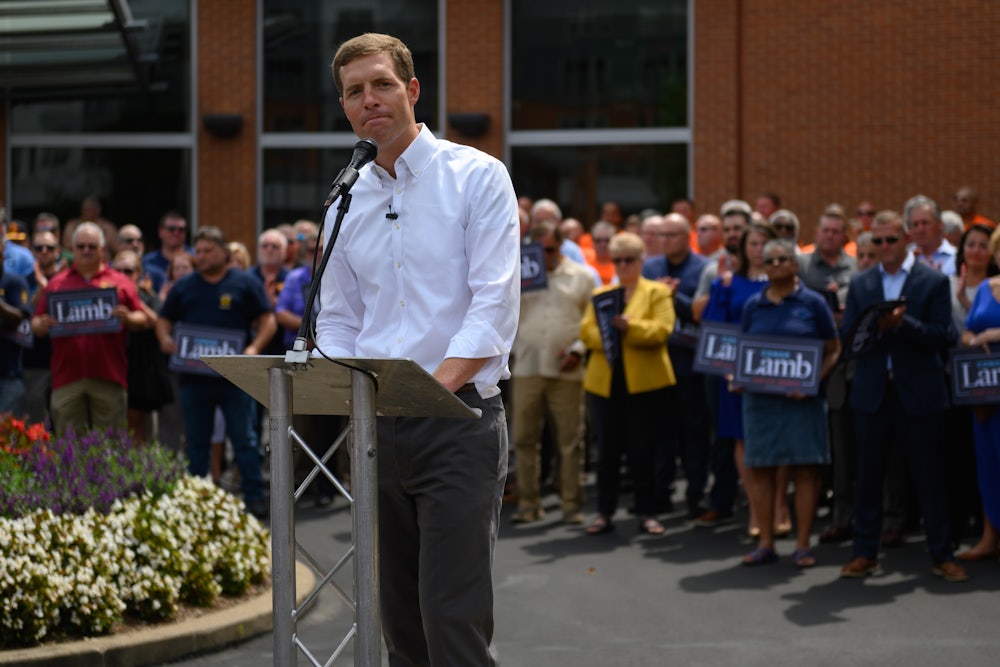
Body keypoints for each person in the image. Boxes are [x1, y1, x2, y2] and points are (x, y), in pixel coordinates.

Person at [315, 33, 520, 666]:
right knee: (400, 623)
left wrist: (429, 387)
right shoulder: (344, 201)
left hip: (458, 421)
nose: (368, 99)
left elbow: (493, 304)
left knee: (451, 621)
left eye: (380, 84)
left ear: (411, 90)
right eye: (354, 91)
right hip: (376, 426)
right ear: (345, 106)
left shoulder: (477, 176)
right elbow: (338, 317)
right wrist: (349, 386)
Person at [839, 210, 967, 582]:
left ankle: (942, 554)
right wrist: (873, 329)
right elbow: (850, 339)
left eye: (890, 240)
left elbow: (943, 336)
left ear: (906, 238)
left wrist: (902, 324)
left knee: (929, 478)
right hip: (873, 392)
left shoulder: (932, 281)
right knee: (869, 478)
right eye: (877, 241)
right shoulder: (861, 283)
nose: (883, 247)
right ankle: (865, 552)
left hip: (919, 393)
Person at [156, 226, 274, 519]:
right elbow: (163, 319)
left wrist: (254, 347)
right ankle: (196, 497)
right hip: (194, 379)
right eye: (199, 251)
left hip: (235, 379)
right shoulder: (184, 287)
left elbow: (267, 319)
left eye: (209, 251)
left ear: (224, 252)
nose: (203, 256)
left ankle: (254, 496)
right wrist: (164, 339)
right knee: (197, 441)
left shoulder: (244, 283)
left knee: (244, 439)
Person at [738, 239, 841, 566]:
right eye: (770, 261)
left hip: (802, 401)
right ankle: (766, 543)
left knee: (806, 470)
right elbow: (744, 352)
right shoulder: (753, 305)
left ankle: (802, 546)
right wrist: (739, 377)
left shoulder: (813, 303)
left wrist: (813, 382)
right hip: (761, 402)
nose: (776, 265)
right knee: (761, 468)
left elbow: (833, 350)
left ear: (796, 266)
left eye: (783, 259)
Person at [581, 231, 675, 537]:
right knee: (607, 451)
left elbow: (663, 330)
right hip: (607, 382)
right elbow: (586, 332)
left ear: (640, 260)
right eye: (617, 259)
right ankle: (604, 512)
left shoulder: (657, 292)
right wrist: (609, 333)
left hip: (644, 384)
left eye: (629, 259)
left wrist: (630, 327)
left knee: (642, 449)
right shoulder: (601, 294)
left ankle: (647, 511)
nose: (623, 265)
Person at [30, 222, 152, 435]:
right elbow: (35, 322)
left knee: (111, 449)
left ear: (102, 250)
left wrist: (129, 318)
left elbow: (143, 317)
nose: (86, 250)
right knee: (69, 449)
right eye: (81, 246)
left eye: (92, 246)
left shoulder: (120, 281)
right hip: (66, 377)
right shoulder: (57, 284)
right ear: (73, 249)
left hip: (108, 376)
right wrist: (40, 324)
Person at [510, 222, 594, 525]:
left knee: (570, 440)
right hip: (528, 365)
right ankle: (528, 504)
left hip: (566, 368)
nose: (544, 256)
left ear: (561, 246)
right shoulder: (518, 275)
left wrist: (579, 349)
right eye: (538, 250)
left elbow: (592, 322)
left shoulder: (581, 277)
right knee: (523, 438)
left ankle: (572, 504)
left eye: (549, 249)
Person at [697, 221, 776, 535]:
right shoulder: (728, 284)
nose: (758, 251)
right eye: (753, 244)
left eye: (763, 244)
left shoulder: (784, 282)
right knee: (741, 439)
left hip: (774, 372)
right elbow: (714, 328)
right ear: (743, 248)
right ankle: (757, 511)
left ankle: (779, 508)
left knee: (773, 438)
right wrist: (728, 367)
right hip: (736, 375)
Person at [642, 213, 710, 517]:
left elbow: (701, 313)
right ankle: (660, 494)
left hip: (690, 364)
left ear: (687, 236)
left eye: (672, 235)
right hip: (657, 361)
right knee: (660, 434)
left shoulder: (702, 268)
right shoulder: (650, 267)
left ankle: (696, 494)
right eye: (662, 235)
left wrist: (674, 296)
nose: (665, 240)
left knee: (693, 434)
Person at [955, 225, 1000, 562]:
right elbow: (968, 332)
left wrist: (994, 333)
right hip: (985, 392)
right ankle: (990, 537)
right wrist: (974, 340)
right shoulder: (985, 288)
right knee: (988, 462)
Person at [112, 249, 170, 442]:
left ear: (138, 274)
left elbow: (158, 322)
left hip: (141, 366)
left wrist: (135, 300)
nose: (122, 275)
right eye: (117, 270)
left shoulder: (149, 298)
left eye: (128, 271)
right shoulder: (105, 297)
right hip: (112, 364)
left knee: (136, 420)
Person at [0, 241, 31, 414]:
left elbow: (20, 317)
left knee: (5, 435)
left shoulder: (14, 282)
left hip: (8, 373)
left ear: (2, 257)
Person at [906, 194, 956, 276]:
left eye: (925, 223)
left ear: (940, 224)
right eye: (915, 224)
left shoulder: (956, 258)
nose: (920, 229)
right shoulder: (905, 259)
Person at [118, 225, 166, 294]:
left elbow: (161, 303)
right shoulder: (109, 271)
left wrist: (148, 294)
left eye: (139, 240)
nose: (135, 244)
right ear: (118, 244)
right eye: (129, 241)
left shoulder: (157, 274)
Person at [142, 211, 193, 278]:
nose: (176, 233)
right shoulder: (147, 262)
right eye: (171, 229)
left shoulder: (196, 257)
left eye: (181, 229)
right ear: (160, 232)